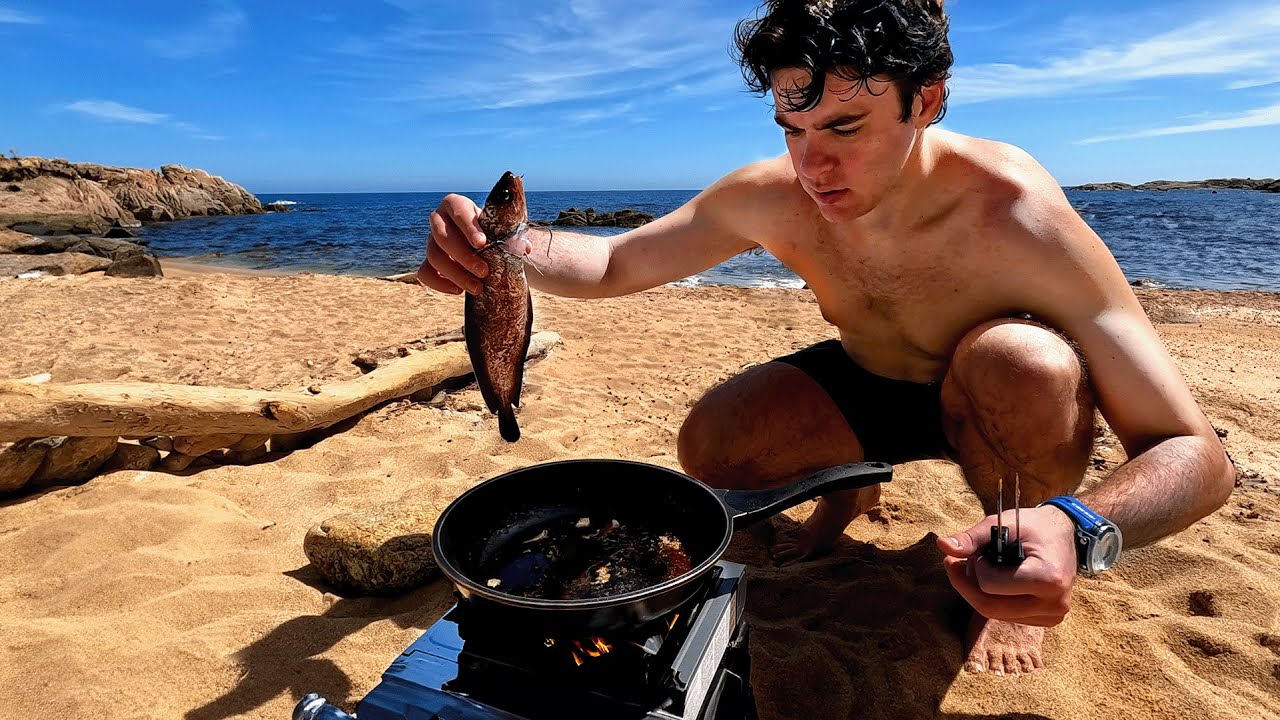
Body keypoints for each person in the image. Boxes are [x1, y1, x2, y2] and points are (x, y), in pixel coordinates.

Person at [418, 0, 1235, 676]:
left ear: (927, 101)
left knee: (1020, 359)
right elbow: (613, 261)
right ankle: (853, 490)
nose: (813, 167)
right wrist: (501, 244)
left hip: (1003, 399)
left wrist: (1076, 527)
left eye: (846, 128)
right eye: (792, 129)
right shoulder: (773, 194)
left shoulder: (1017, 213)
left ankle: (1013, 559)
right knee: (712, 446)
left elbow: (1196, 455)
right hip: (867, 379)